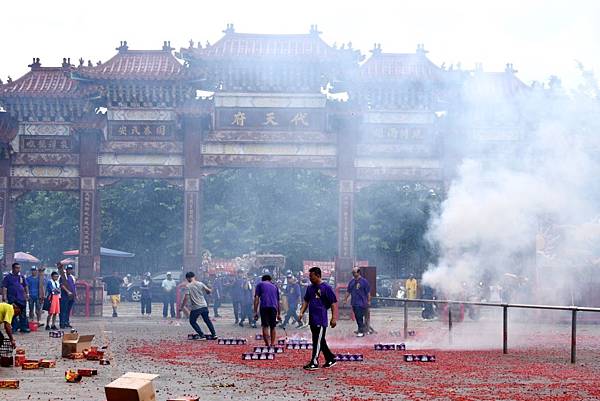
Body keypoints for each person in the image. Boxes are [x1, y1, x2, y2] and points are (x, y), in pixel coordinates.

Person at [299, 266, 338, 370]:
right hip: (312, 318)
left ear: (318, 275)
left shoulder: (326, 287)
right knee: (320, 340)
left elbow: (333, 303)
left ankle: (314, 361)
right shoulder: (310, 288)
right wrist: (301, 312)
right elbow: (306, 301)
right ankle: (330, 358)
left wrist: (334, 318)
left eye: (311, 276)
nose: (310, 278)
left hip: (321, 318)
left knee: (317, 340)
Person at [180, 271, 217, 340]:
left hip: (196, 307)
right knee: (207, 320)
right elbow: (208, 291)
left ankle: (201, 335)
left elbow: (186, 298)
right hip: (204, 305)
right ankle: (214, 334)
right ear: (194, 277)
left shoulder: (188, 286)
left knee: (192, 321)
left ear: (188, 278)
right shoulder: (200, 283)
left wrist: (182, 307)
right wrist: (211, 289)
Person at [342, 267, 371, 337]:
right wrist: (345, 299)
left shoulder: (364, 282)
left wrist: (369, 301)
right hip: (354, 302)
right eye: (352, 272)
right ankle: (363, 329)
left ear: (358, 272)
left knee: (359, 316)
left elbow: (368, 293)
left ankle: (361, 331)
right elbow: (348, 291)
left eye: (354, 272)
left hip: (362, 303)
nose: (353, 274)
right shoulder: (351, 282)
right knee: (357, 317)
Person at [253, 274, 281, 347]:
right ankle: (272, 344)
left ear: (262, 279)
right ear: (270, 280)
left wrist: (255, 312)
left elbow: (256, 299)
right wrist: (279, 314)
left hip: (264, 306)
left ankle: (267, 344)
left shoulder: (260, 284)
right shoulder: (275, 286)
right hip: (274, 307)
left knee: (265, 326)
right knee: (273, 326)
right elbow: (278, 301)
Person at [2, 262, 29, 333]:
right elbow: (4, 287)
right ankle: (14, 328)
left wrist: (27, 294)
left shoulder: (22, 277)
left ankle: (23, 327)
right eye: (17, 268)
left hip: (21, 298)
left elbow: (25, 286)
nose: (18, 269)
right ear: (13, 268)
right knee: (12, 313)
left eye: (19, 268)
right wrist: (4, 297)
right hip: (12, 298)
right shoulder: (8, 277)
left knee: (23, 313)